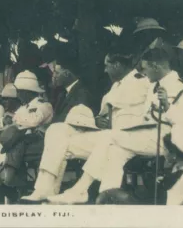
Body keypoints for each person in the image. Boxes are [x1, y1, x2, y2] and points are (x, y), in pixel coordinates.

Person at [48, 48, 183, 204]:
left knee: (109, 136)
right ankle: (107, 197)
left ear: (156, 66)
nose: (145, 74)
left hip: (167, 140)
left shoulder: (182, 88)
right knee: (115, 151)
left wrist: (168, 106)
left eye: (146, 69)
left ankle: (79, 190)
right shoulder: (154, 87)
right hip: (147, 135)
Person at [22, 48, 151, 202]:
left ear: (117, 65)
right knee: (57, 130)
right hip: (106, 136)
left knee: (72, 143)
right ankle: (45, 189)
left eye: (107, 65)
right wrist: (95, 120)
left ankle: (79, 191)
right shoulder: (116, 86)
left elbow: (144, 115)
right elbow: (105, 114)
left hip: (124, 139)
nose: (105, 70)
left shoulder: (141, 82)